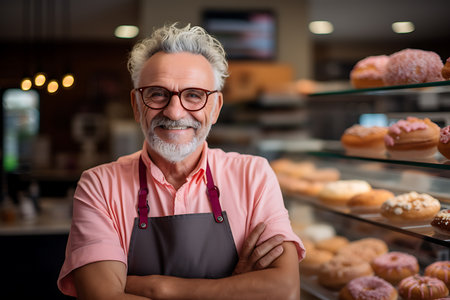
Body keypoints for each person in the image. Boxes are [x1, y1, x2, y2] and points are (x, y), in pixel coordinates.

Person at [57, 23, 305, 300]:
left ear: (215, 108)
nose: (174, 112)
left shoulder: (253, 175)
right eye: (157, 94)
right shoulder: (100, 185)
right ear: (136, 105)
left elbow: (284, 291)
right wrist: (234, 289)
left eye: (194, 95)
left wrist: (159, 288)